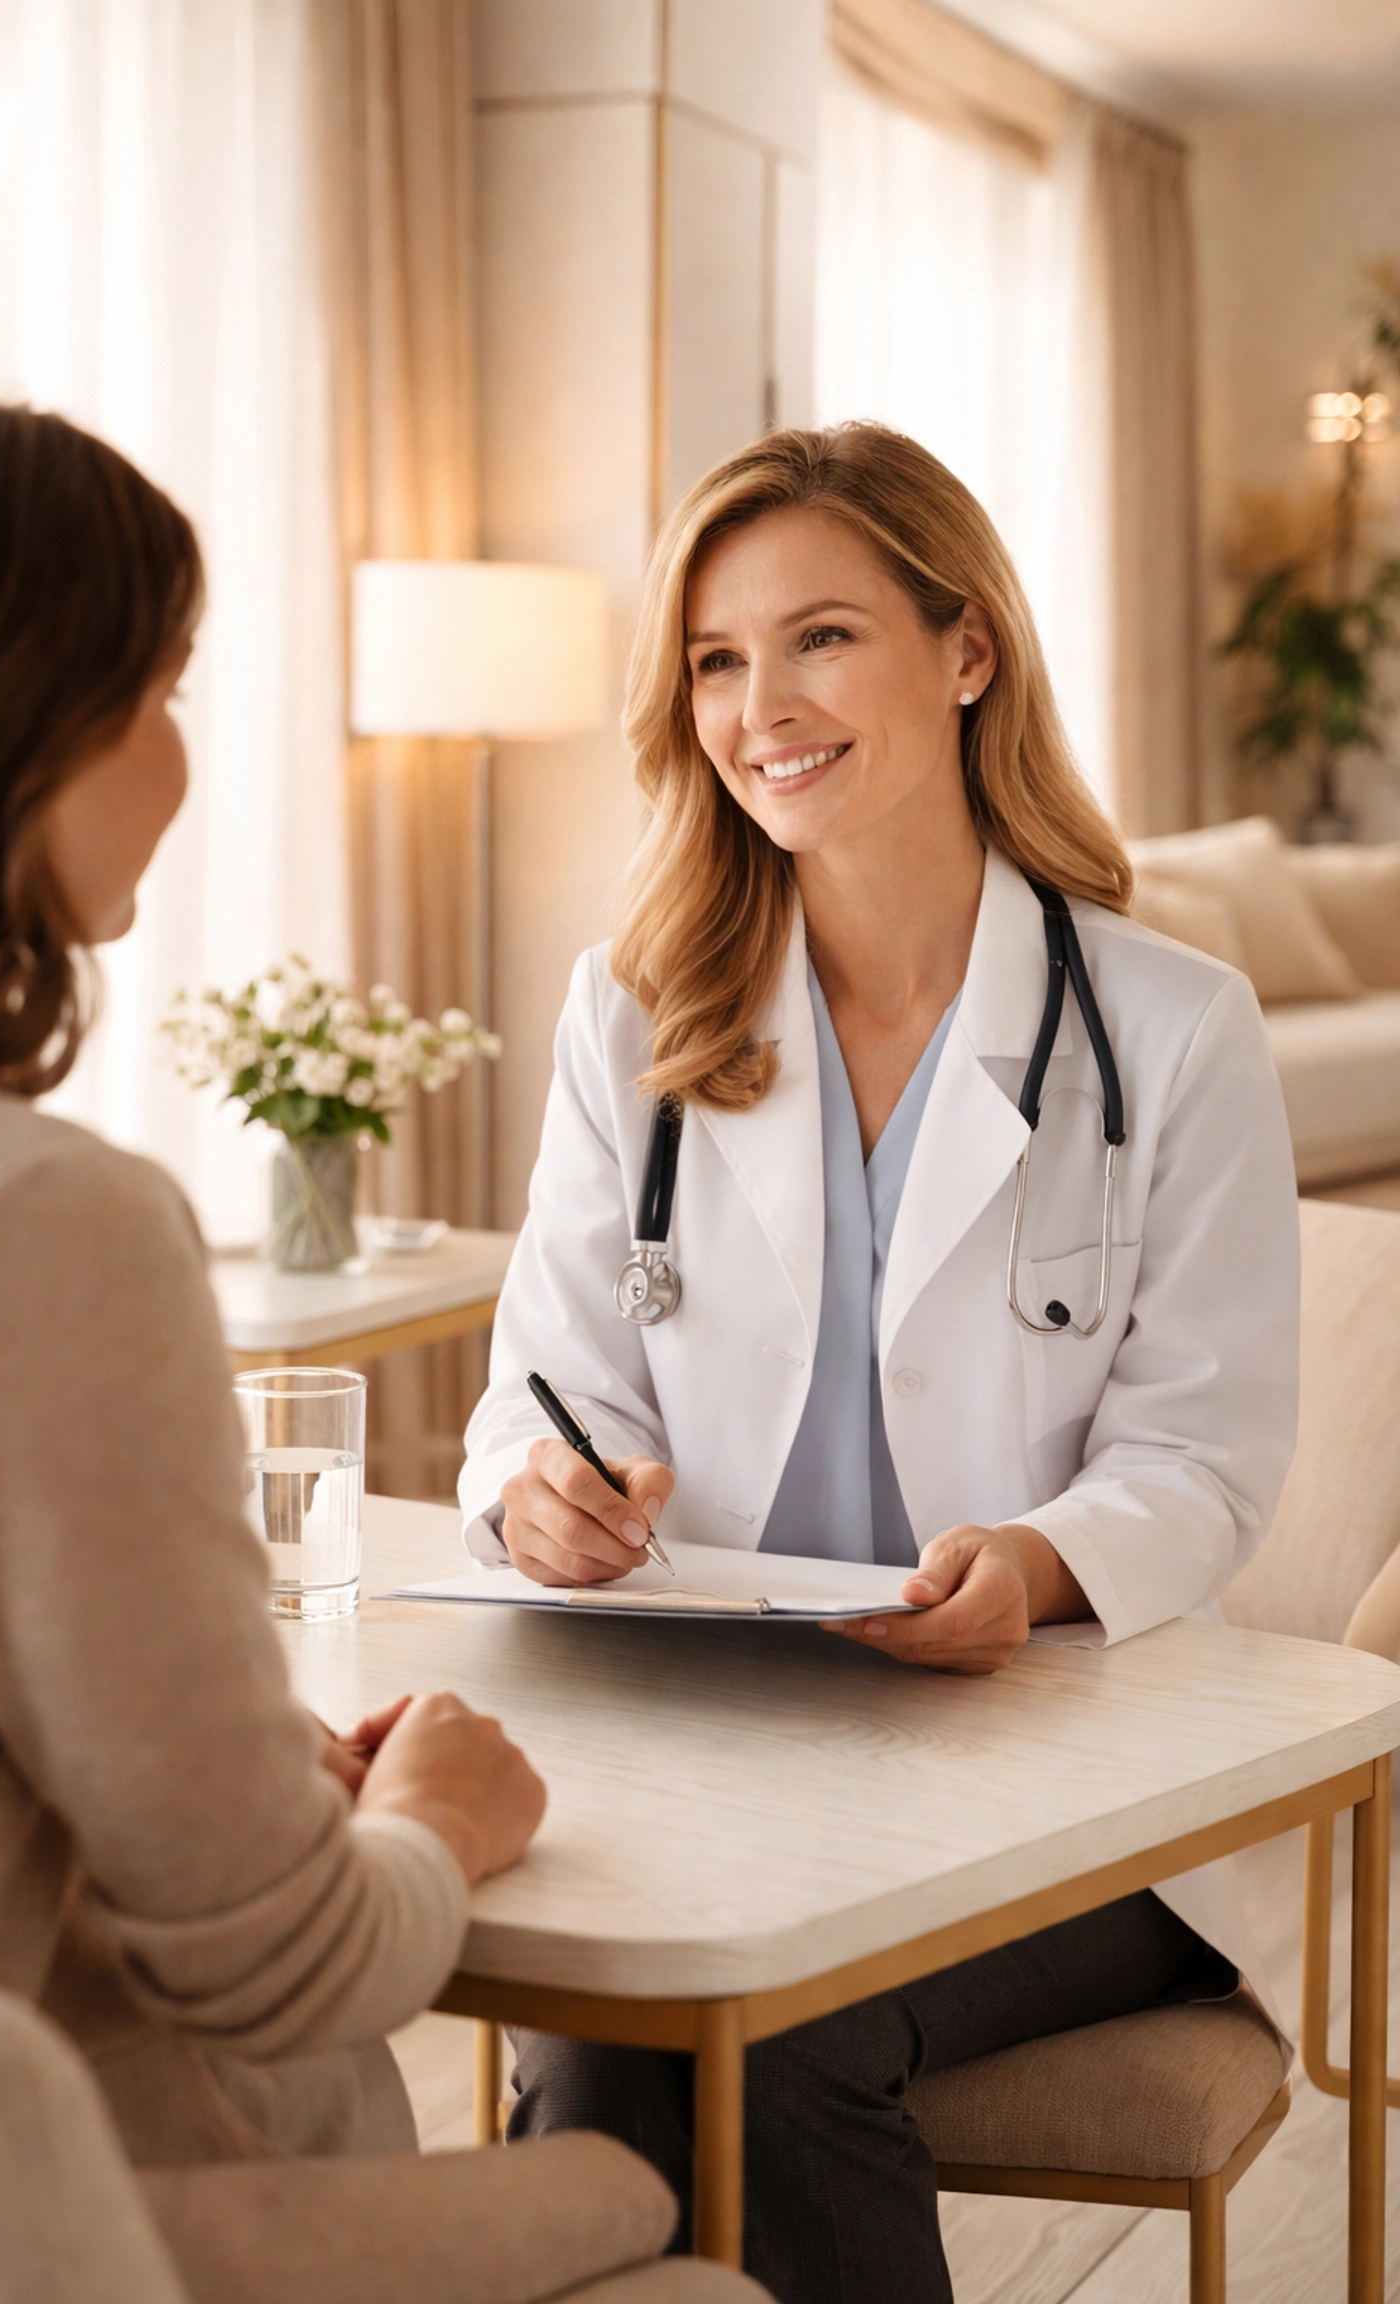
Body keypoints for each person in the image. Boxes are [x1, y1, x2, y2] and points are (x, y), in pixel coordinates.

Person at [0, 375, 767, 2304]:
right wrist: (441, 1817)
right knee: (651, 2212)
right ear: (2, 719)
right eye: (161, 690)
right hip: (17, 2216)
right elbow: (278, 1972)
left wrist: (213, 1760)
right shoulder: (28, 1223)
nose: (184, 765)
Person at [459, 422, 1300, 2304]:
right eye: (716, 659)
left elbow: (1211, 1456)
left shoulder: (1171, 1031)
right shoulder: (638, 1011)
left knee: (768, 2027)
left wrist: (1035, 1565)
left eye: (822, 638)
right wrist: (552, 1497)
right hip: (721, 1760)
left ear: (967, 649)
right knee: (604, 2032)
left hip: (1071, 1782)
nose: (764, 707)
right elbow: (543, 1388)